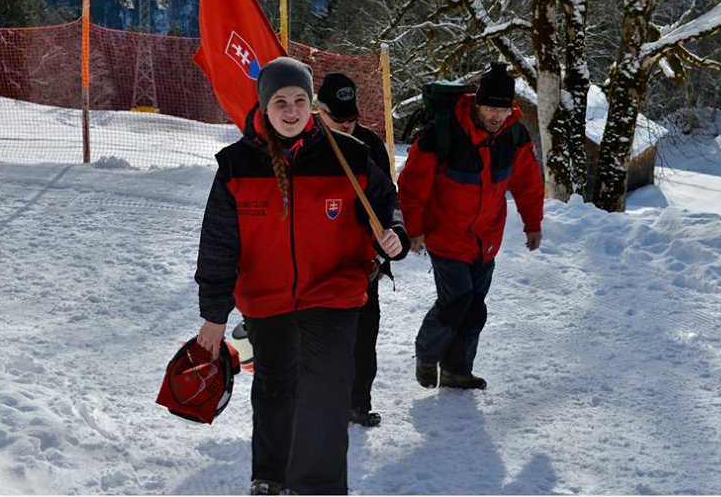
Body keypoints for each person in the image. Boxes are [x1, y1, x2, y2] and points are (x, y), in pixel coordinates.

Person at [194, 57, 410, 496]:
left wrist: (396, 237)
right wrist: (214, 316)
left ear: (311, 105)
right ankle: (271, 477)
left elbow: (389, 207)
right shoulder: (237, 166)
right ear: (264, 105)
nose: (291, 111)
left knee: (327, 389)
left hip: (334, 291)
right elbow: (218, 245)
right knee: (277, 387)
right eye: (280, 102)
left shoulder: (348, 156)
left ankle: (319, 487)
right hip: (266, 298)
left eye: (299, 101)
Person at [397, 62, 544, 391]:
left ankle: (456, 371)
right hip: (446, 236)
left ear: (511, 109)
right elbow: (412, 185)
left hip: (486, 239)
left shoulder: (515, 135)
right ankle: (426, 353)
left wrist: (533, 223)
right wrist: (414, 229)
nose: (495, 116)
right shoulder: (444, 132)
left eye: (502, 109)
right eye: (490, 107)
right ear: (477, 103)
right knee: (457, 301)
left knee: (475, 307)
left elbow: (528, 184)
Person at [316, 72, 393, 428]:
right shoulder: (306, 143)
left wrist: (390, 240)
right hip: (316, 263)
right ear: (319, 110)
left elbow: (387, 200)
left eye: (352, 118)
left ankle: (357, 403)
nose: (347, 125)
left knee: (364, 338)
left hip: (363, 263)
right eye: (338, 119)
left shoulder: (370, 145)